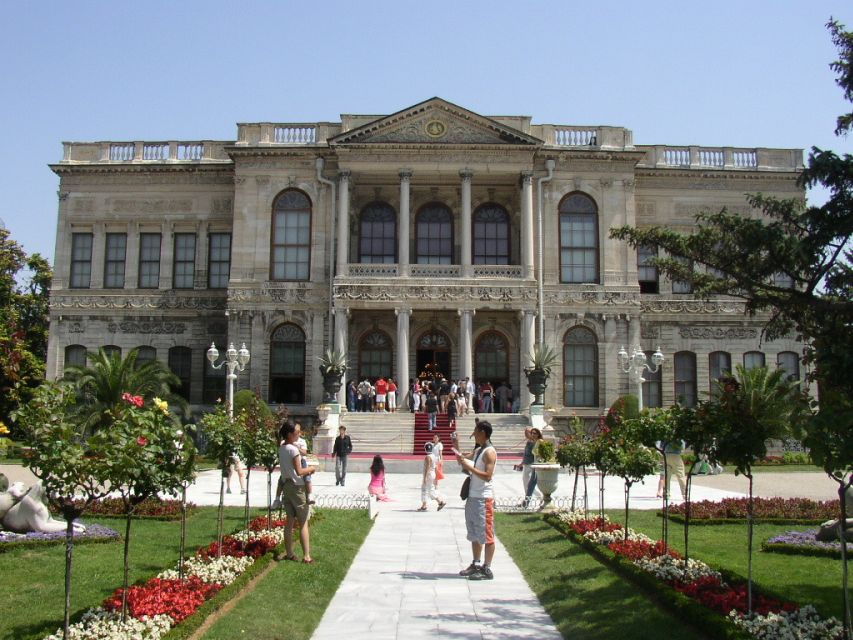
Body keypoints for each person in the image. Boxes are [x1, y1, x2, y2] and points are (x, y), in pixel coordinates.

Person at [456, 420, 497, 580]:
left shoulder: (489, 452)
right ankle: (476, 563)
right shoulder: (479, 450)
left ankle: (487, 568)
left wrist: (471, 468)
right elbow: (463, 459)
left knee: (486, 534)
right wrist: (455, 445)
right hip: (473, 497)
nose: (473, 435)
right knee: (474, 533)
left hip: (483, 499)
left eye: (475, 432)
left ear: (483, 433)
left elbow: (488, 476)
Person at [275, 420, 317, 563]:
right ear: (289, 434)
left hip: (286, 486)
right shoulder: (293, 450)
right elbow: (299, 471)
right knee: (303, 522)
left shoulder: (282, 448)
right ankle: (307, 556)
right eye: (296, 433)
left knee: (289, 521)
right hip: (298, 487)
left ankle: (289, 553)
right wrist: (311, 469)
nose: (298, 435)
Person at [417, 442, 446, 511]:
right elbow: (435, 467)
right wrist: (436, 477)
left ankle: (426, 505)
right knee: (430, 489)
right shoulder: (434, 456)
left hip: (428, 474)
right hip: (433, 474)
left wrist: (425, 478)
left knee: (425, 489)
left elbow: (428, 467)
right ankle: (438, 502)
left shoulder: (428, 457)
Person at [518, 428, 542, 508]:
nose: (532, 434)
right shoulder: (529, 442)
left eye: (534, 433)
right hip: (526, 464)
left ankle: (529, 500)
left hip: (533, 464)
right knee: (526, 483)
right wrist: (522, 462)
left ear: (538, 434)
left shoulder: (537, 442)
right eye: (532, 433)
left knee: (530, 484)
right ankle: (528, 499)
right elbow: (525, 453)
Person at [295, 423, 314, 505]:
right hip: (292, 460)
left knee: (307, 477)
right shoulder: (288, 441)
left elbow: (304, 453)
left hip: (301, 460)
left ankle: (310, 495)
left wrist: (297, 448)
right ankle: (277, 498)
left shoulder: (302, 441)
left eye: (298, 431)